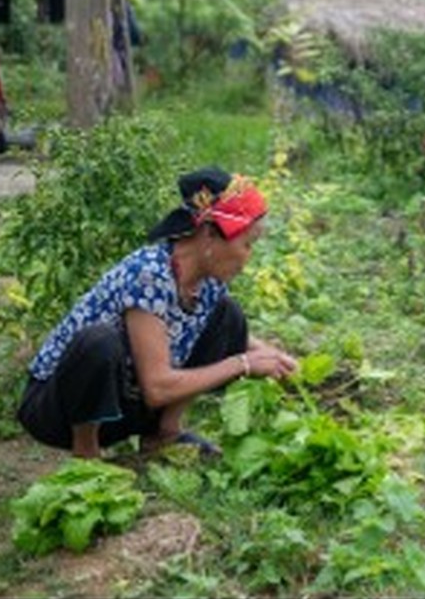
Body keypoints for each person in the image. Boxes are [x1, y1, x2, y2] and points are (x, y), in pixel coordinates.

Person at [17, 167, 301, 460]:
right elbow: (157, 387)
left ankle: (165, 434)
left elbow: (228, 335)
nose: (248, 257)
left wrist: (277, 359)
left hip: (123, 402)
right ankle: (86, 454)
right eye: (247, 245)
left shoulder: (207, 282)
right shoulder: (150, 275)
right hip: (58, 409)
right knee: (99, 341)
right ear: (208, 235)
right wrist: (242, 364)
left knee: (228, 316)